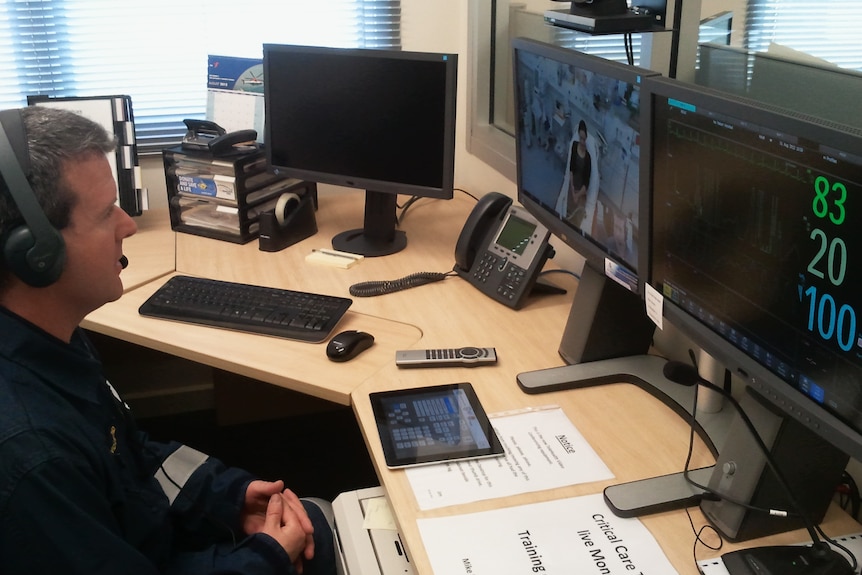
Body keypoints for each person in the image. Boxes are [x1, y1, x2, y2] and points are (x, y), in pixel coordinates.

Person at [0, 106, 337, 575]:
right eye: (104, 215)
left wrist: (230, 498)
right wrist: (266, 558)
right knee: (325, 536)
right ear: (35, 254)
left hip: (144, 537)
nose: (128, 225)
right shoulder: (32, 456)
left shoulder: (48, 342)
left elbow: (128, 456)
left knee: (316, 527)